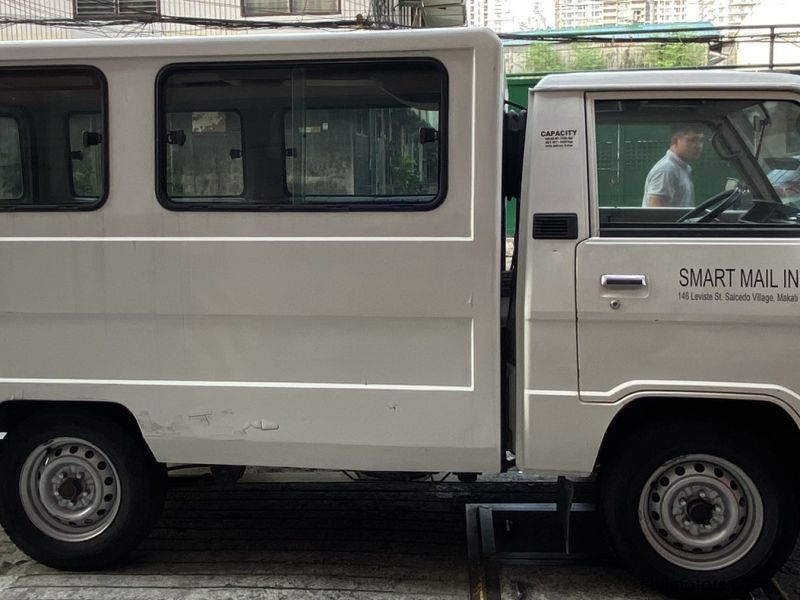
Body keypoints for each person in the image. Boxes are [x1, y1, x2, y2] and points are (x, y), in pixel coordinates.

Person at [642, 124, 704, 207]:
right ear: (675, 141)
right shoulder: (666, 170)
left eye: (700, 140)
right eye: (692, 140)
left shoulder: (682, 168)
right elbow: (657, 215)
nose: (698, 146)